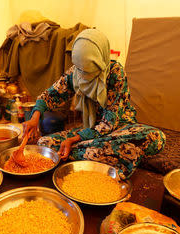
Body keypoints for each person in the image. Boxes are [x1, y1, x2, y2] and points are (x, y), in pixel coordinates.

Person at [23, 28, 165, 179]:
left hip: (119, 129)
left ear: (101, 62)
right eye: (80, 70)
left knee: (156, 137)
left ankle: (82, 152)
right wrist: (34, 118)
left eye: (88, 72)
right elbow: (49, 96)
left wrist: (72, 140)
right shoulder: (75, 73)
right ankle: (104, 154)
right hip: (90, 130)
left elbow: (108, 124)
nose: (83, 76)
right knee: (44, 142)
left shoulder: (115, 73)